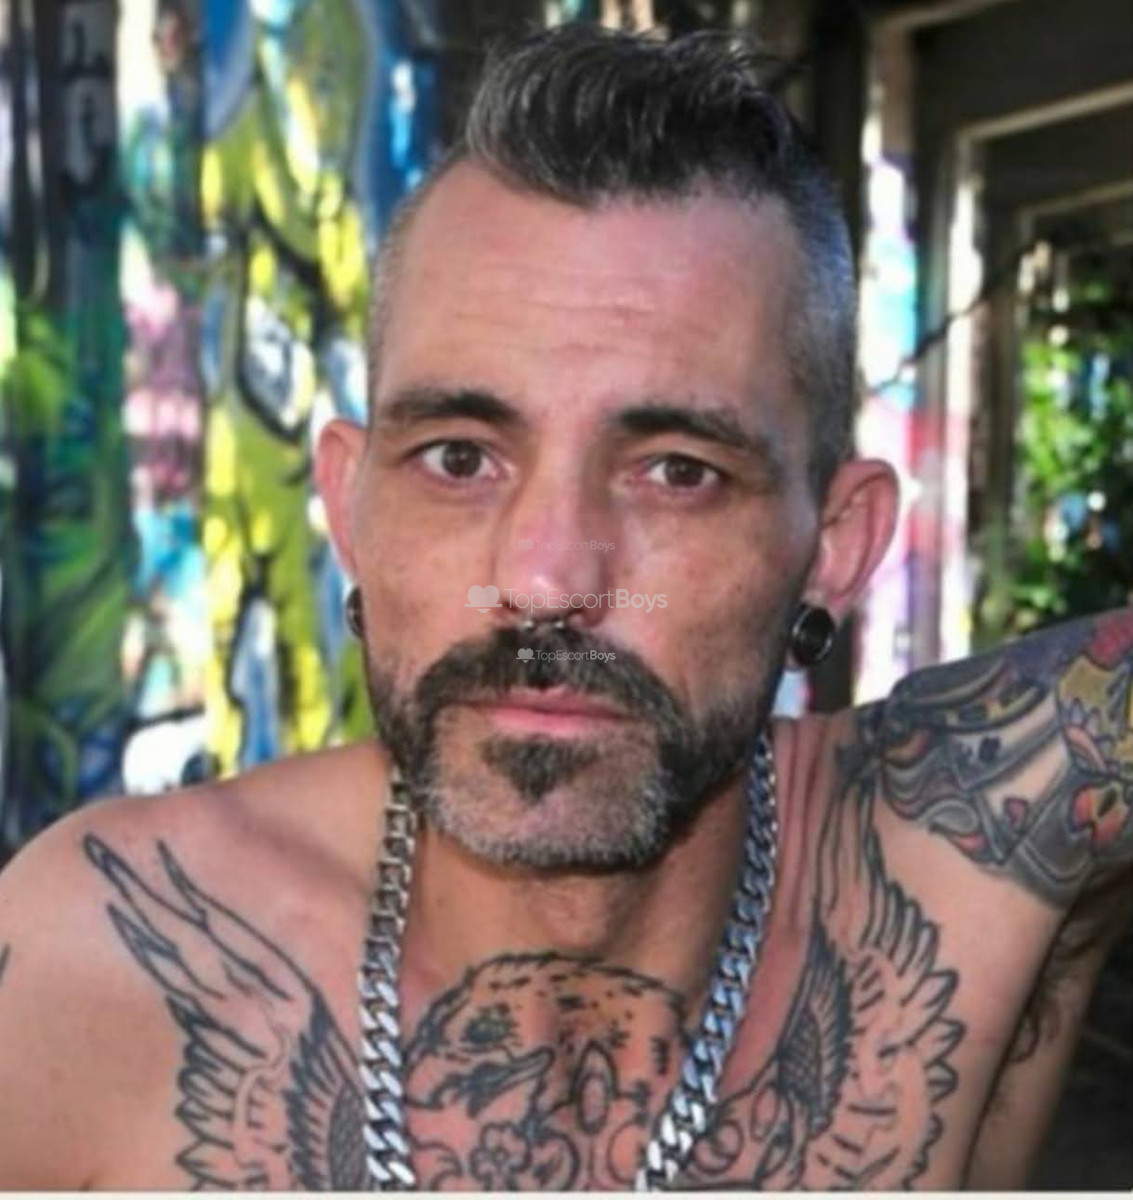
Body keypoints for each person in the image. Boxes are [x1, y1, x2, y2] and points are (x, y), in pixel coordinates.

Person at [0, 24, 1130, 1192]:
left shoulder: (973, 858)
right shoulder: (95, 970)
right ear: (350, 503)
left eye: (677, 472)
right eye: (457, 458)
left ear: (834, 545)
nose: (543, 580)